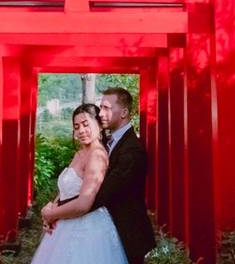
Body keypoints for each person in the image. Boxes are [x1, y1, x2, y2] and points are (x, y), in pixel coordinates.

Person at [40, 88, 157, 264]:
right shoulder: (102, 144)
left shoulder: (132, 150)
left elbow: (100, 194)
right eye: (100, 108)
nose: (101, 113)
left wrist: (54, 213)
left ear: (124, 112)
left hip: (124, 232)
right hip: (95, 225)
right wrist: (56, 205)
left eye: (106, 108)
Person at [30, 103, 128, 264]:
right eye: (76, 126)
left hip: (87, 227)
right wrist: (51, 207)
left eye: (86, 124)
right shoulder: (80, 153)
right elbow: (66, 190)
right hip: (65, 221)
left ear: (99, 125)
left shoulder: (97, 156)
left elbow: (84, 203)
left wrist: (51, 214)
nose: (81, 130)